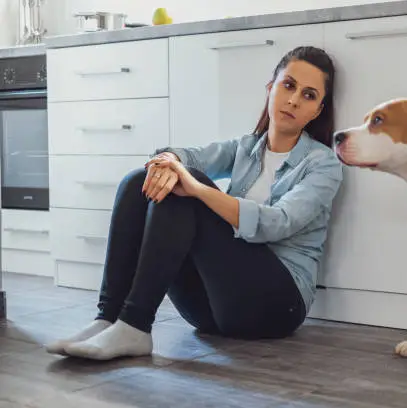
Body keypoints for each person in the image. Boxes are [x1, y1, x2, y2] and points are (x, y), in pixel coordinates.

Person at [45, 46, 343, 360]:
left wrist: (198, 190)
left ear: (318, 110)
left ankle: (135, 325)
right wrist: (169, 161)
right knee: (139, 181)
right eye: (289, 85)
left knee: (188, 191)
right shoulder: (245, 147)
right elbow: (192, 156)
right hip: (212, 309)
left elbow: (277, 222)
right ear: (271, 88)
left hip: (276, 306)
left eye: (309, 95)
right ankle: (108, 318)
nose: (294, 99)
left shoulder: (323, 164)